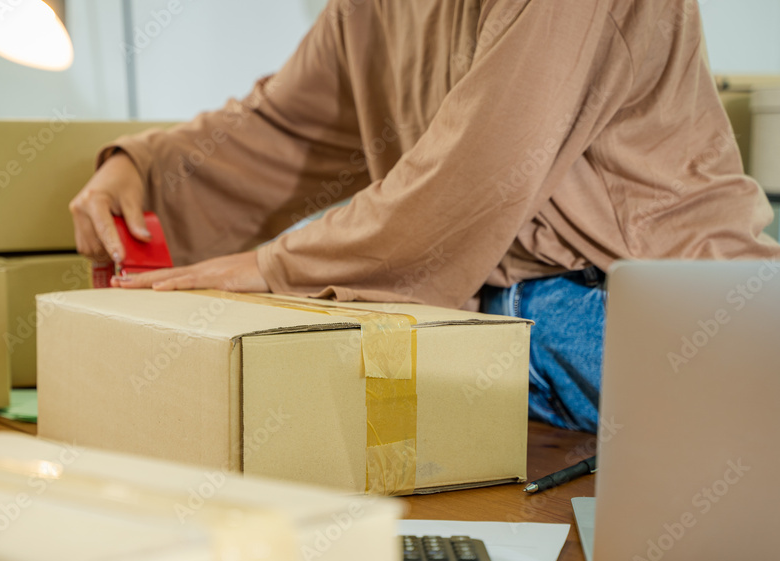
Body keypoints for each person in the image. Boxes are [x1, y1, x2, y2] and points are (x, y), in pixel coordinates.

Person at [69, 0, 780, 434]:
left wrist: (270, 267)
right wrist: (143, 166)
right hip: (489, 318)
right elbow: (283, 129)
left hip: (654, 312)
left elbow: (472, 178)